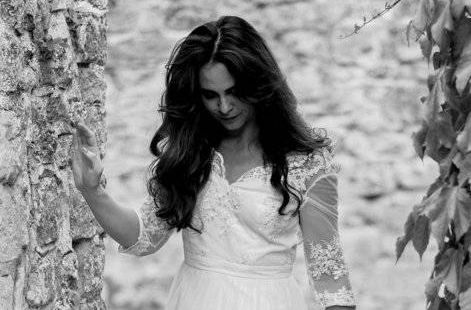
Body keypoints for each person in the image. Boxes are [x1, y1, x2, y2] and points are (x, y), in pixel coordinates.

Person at [70, 15, 356, 309]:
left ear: (258, 84)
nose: (224, 106)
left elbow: (330, 276)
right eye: (210, 95)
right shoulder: (192, 152)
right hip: (194, 298)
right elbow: (144, 238)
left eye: (234, 92)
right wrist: (93, 192)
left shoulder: (305, 161)